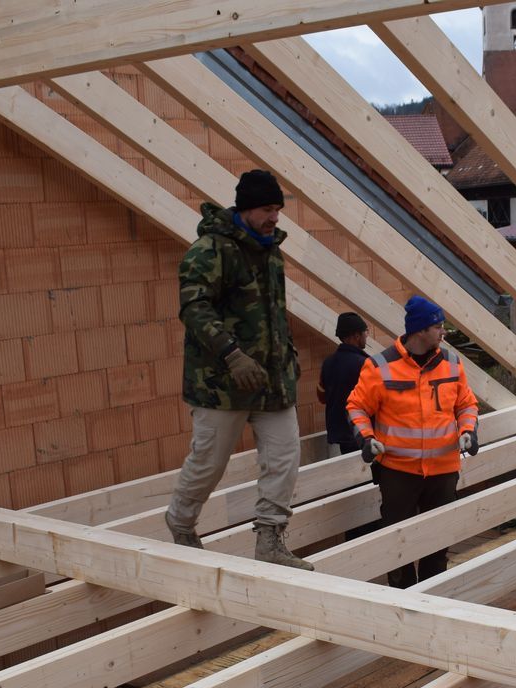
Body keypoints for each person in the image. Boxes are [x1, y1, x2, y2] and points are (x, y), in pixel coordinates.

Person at [163, 169, 311, 570]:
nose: (274, 217)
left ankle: (270, 538)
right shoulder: (210, 251)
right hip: (220, 385)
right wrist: (231, 354)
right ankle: (181, 523)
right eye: (267, 209)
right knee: (209, 462)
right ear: (245, 208)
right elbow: (194, 308)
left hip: (271, 382)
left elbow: (275, 312)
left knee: (284, 457)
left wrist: (287, 355)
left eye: (277, 209)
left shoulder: (271, 252)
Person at [346, 295, 479, 588]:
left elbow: (466, 404)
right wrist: (366, 438)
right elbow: (356, 407)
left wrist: (468, 431)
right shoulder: (380, 366)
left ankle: (432, 595)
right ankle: (401, 596)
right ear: (421, 330)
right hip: (398, 472)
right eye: (439, 326)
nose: (444, 332)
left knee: (438, 539)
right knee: (398, 542)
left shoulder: (452, 363)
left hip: (443, 470)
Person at [317, 312, 370, 456]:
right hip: (362, 433)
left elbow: (321, 396)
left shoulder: (328, 363)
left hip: (341, 435)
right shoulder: (365, 364)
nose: (367, 336)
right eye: (365, 332)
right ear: (357, 336)